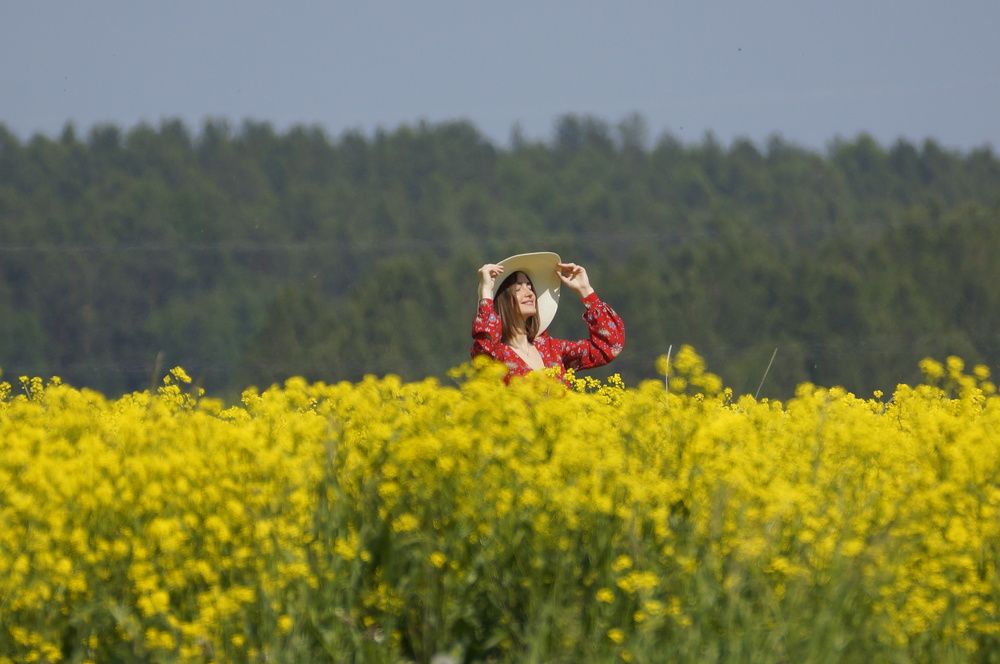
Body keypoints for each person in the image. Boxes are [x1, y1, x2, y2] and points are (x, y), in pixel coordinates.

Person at [471, 252, 625, 382]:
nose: (530, 293)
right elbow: (483, 351)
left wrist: (586, 291)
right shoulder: (496, 353)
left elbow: (610, 347)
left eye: (530, 287)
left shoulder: (551, 348)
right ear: (502, 301)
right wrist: (486, 291)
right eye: (518, 288)